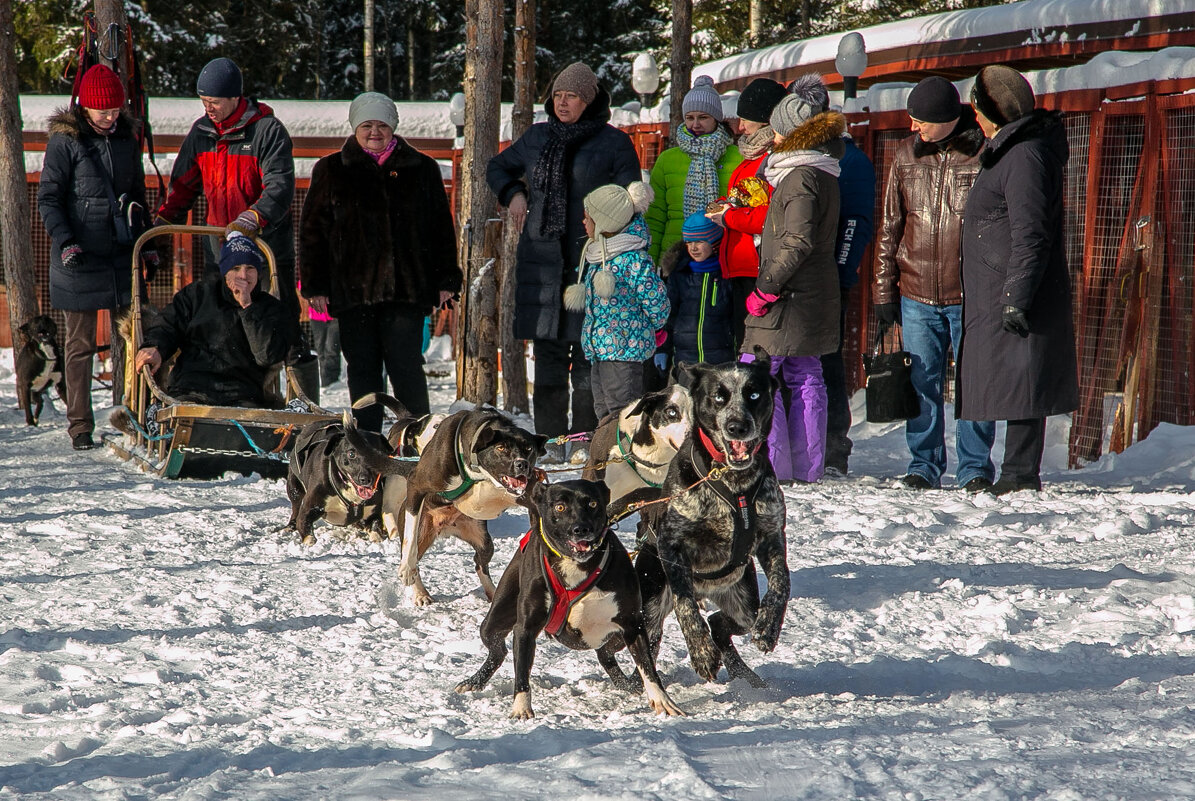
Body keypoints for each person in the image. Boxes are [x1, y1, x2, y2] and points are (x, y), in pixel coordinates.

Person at [486, 62, 641, 463]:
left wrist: (609, 230)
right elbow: (498, 167)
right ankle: (550, 443)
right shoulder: (538, 137)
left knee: (588, 358)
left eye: (571, 96)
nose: (562, 102)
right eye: (557, 95)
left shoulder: (614, 143)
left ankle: (585, 442)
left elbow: (630, 198)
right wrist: (514, 193)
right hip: (542, 264)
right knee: (549, 359)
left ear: (588, 100)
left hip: (592, 263)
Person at [153, 58, 316, 397]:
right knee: (222, 324)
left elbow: (279, 187)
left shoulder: (267, 131)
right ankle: (224, 391)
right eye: (204, 102)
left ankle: (301, 398)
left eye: (214, 101)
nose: (208, 108)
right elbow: (182, 186)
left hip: (266, 251)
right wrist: (162, 225)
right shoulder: (202, 134)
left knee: (280, 325)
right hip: (220, 251)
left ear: (234, 97)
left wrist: (252, 218)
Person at [300, 92, 460, 432]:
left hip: (407, 289)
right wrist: (315, 285)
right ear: (355, 127)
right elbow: (313, 233)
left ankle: (415, 439)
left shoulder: (422, 168)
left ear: (393, 127)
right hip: (352, 291)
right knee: (362, 369)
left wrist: (446, 278)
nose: (375, 132)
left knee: (407, 368)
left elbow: (440, 229)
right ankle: (367, 441)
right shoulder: (331, 169)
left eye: (382, 125)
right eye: (367, 125)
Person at [958, 65, 1078, 495]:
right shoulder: (1010, 151)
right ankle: (1015, 472)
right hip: (999, 284)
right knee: (1012, 377)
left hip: (1012, 287)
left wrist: (1017, 294)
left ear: (994, 110)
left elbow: (1032, 231)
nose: (974, 116)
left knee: (1023, 376)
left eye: (977, 106)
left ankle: (1019, 473)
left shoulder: (1024, 156)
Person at [873, 76, 996, 491]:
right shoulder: (905, 155)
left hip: (970, 293)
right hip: (916, 292)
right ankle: (923, 464)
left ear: (945, 118)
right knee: (921, 382)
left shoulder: (982, 153)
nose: (913, 127)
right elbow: (890, 226)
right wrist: (883, 291)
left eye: (920, 120)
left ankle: (974, 467)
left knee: (973, 384)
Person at [37, 64, 148, 451]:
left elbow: (138, 194)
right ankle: (80, 424)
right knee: (80, 344)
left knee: (133, 338)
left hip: (120, 253)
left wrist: (148, 242)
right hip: (78, 257)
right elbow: (48, 198)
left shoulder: (126, 139)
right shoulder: (65, 141)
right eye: (103, 111)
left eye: (115, 110)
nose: (110, 117)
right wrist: (66, 241)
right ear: (85, 107)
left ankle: (132, 413)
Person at [740, 75, 844, 484]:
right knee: (806, 374)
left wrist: (765, 288)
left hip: (787, 295)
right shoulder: (824, 171)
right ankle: (806, 468)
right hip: (814, 291)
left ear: (794, 134)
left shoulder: (799, 176)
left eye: (779, 130)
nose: (773, 137)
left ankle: (771, 466)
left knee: (755, 374)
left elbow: (797, 241)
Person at [134, 235, 289, 408]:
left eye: (250, 268)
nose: (243, 275)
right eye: (236, 268)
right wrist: (155, 346)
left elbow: (267, 356)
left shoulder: (270, 307)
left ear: (258, 272)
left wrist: (248, 308)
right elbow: (167, 324)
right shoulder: (197, 295)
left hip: (243, 394)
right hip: (191, 388)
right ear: (225, 273)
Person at [566, 182, 669, 420]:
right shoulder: (597, 253)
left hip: (624, 351)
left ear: (606, 222)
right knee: (603, 410)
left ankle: (624, 444)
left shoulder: (633, 260)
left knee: (622, 410)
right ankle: (607, 443)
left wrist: (652, 327)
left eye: (589, 218)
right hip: (600, 350)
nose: (583, 222)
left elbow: (656, 300)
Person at [707, 77, 788, 347]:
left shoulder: (772, 160)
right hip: (740, 266)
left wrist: (728, 216)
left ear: (764, 121)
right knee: (743, 345)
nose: (740, 127)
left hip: (757, 269)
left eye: (745, 120)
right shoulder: (751, 157)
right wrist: (724, 206)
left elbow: (771, 216)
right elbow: (744, 200)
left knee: (755, 348)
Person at [821, 111, 876, 478]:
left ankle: (834, 446)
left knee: (828, 363)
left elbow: (855, 223)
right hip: (809, 280)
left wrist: (840, 274)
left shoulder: (850, 161)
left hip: (829, 281)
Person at [646, 76, 742, 262]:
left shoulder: (737, 158)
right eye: (690, 118)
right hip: (674, 258)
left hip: (722, 255)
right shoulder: (667, 160)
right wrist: (651, 261)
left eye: (703, 117)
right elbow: (655, 219)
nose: (695, 124)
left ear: (716, 118)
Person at [658, 212, 735, 371]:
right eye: (689, 242)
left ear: (714, 242)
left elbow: (738, 317)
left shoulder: (728, 274)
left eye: (700, 241)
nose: (693, 248)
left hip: (722, 362)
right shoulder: (679, 274)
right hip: (686, 361)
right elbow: (668, 316)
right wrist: (663, 349)